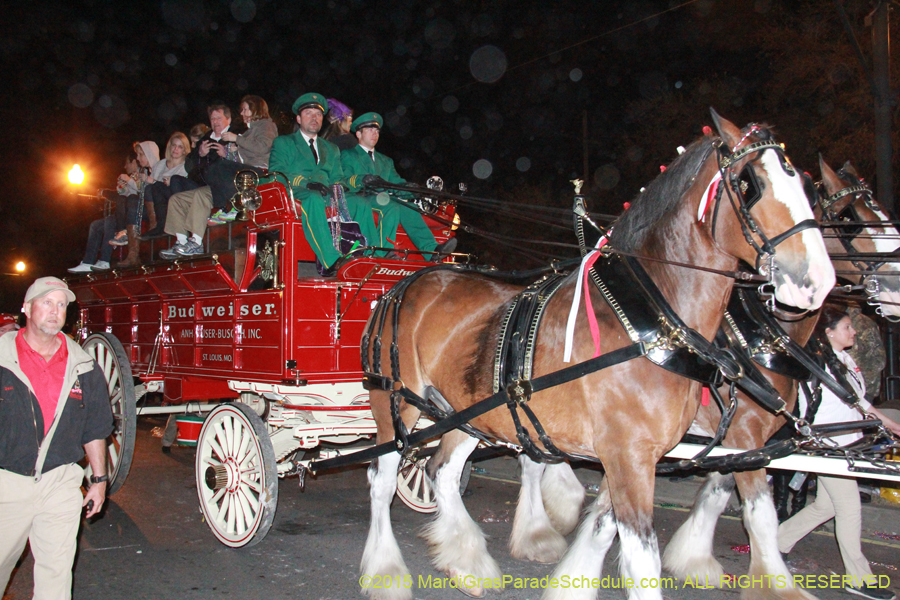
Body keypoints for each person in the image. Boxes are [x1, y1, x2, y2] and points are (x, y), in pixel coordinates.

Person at [0, 277, 113, 600]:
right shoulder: (2, 359)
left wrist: (99, 479)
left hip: (60, 482)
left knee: (56, 577)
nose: (55, 311)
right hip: (7, 483)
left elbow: (95, 428)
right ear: (26, 308)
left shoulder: (84, 365)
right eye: (47, 302)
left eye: (62, 304)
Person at [778, 305, 900, 600]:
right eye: (847, 327)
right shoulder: (816, 365)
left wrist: (892, 426)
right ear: (828, 332)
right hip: (829, 445)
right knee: (849, 508)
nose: (854, 331)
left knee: (827, 506)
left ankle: (776, 541)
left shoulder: (842, 360)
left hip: (846, 443)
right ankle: (859, 579)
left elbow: (861, 404)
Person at [341, 112, 456, 260]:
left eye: (377, 131)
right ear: (358, 133)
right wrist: (362, 179)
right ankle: (381, 252)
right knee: (391, 205)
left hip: (383, 198)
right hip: (361, 199)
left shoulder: (386, 161)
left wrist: (414, 190)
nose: (374, 134)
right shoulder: (348, 155)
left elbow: (397, 184)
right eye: (370, 130)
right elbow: (344, 179)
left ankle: (431, 250)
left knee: (409, 207)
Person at [268, 92, 359, 274]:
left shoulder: (331, 148)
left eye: (318, 114)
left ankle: (368, 256)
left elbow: (337, 177)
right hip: (297, 191)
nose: (314, 118)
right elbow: (276, 174)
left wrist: (342, 187)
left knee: (361, 203)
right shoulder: (284, 143)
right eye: (308, 113)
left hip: (327, 193)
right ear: (299, 118)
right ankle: (331, 260)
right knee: (313, 198)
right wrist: (306, 183)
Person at [159, 105, 240, 259]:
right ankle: (181, 242)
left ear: (228, 119)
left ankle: (196, 243)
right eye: (212, 119)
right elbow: (191, 166)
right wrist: (201, 154)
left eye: (218, 118)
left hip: (226, 188)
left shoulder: (237, 135)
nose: (215, 122)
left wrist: (227, 155)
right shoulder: (206, 138)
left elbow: (242, 163)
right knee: (176, 199)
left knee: (200, 196)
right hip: (206, 184)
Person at [206, 95, 278, 224]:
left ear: (255, 109)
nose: (241, 113)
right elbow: (245, 155)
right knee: (213, 170)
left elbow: (262, 147)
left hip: (260, 171)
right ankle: (222, 208)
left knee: (220, 167)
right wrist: (230, 153)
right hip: (248, 169)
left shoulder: (266, 125)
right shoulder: (250, 130)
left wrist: (237, 139)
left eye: (245, 109)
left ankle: (237, 206)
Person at [68, 153, 138, 273]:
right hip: (122, 215)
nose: (125, 166)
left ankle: (105, 260)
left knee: (110, 220)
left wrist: (107, 192)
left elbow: (135, 194)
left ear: (134, 162)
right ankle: (87, 262)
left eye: (127, 163)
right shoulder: (131, 177)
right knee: (95, 225)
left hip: (132, 217)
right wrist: (120, 187)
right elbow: (122, 194)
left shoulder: (141, 175)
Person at [112, 140, 160, 268]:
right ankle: (132, 254)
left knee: (137, 197)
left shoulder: (161, 167)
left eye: (140, 154)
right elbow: (137, 191)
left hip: (160, 208)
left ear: (149, 154)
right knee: (132, 199)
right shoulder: (145, 172)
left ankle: (153, 229)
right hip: (144, 209)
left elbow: (153, 188)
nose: (138, 158)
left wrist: (132, 181)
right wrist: (124, 186)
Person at [140, 131, 191, 238]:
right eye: (174, 145)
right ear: (169, 146)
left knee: (155, 186)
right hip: (156, 203)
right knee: (137, 196)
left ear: (184, 150)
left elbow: (183, 187)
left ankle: (161, 226)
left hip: (176, 201)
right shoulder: (160, 164)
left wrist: (155, 182)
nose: (176, 149)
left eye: (180, 147)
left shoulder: (185, 166)